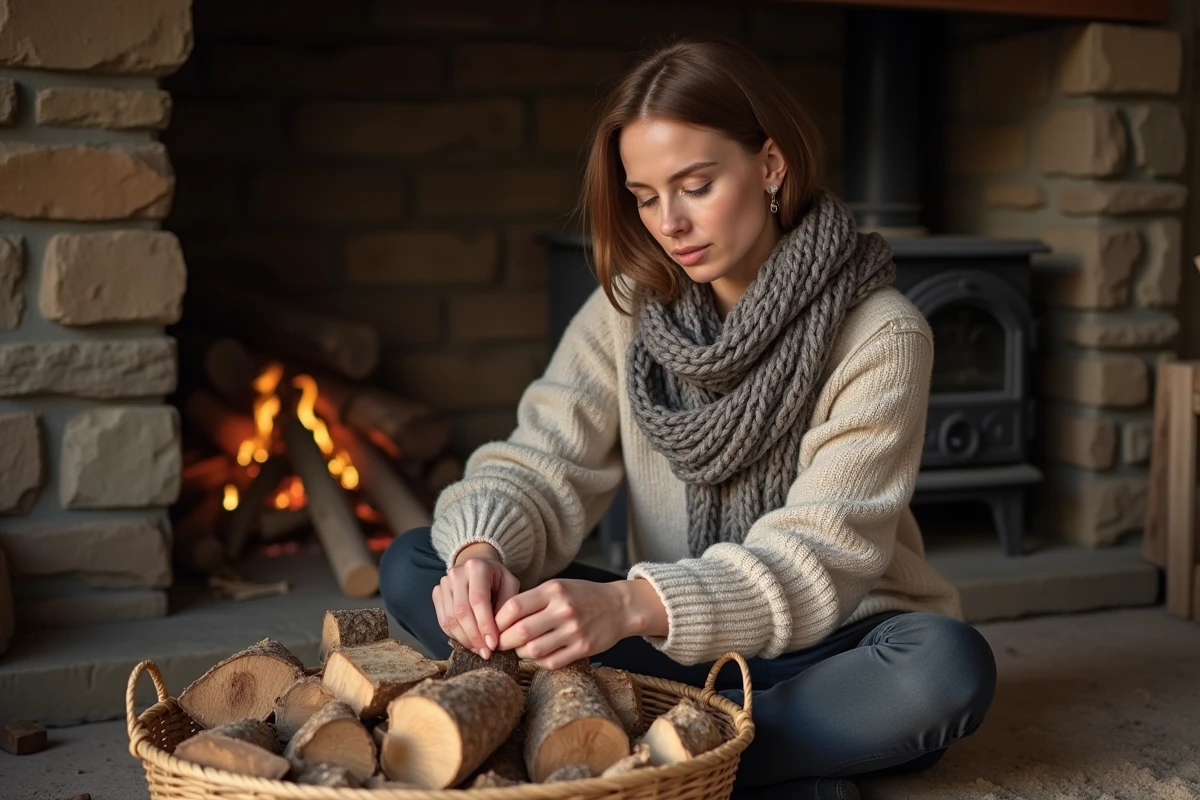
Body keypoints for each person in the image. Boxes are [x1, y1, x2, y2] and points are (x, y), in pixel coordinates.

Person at [380, 36, 996, 800]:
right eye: (644, 196)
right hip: (664, 644)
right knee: (421, 562)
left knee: (946, 668)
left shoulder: (881, 332)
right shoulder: (628, 312)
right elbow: (541, 461)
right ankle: (761, 756)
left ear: (770, 165)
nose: (668, 222)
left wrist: (629, 603)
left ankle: (643, 751)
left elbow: (822, 557)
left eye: (696, 185)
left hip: (833, 641)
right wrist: (480, 554)